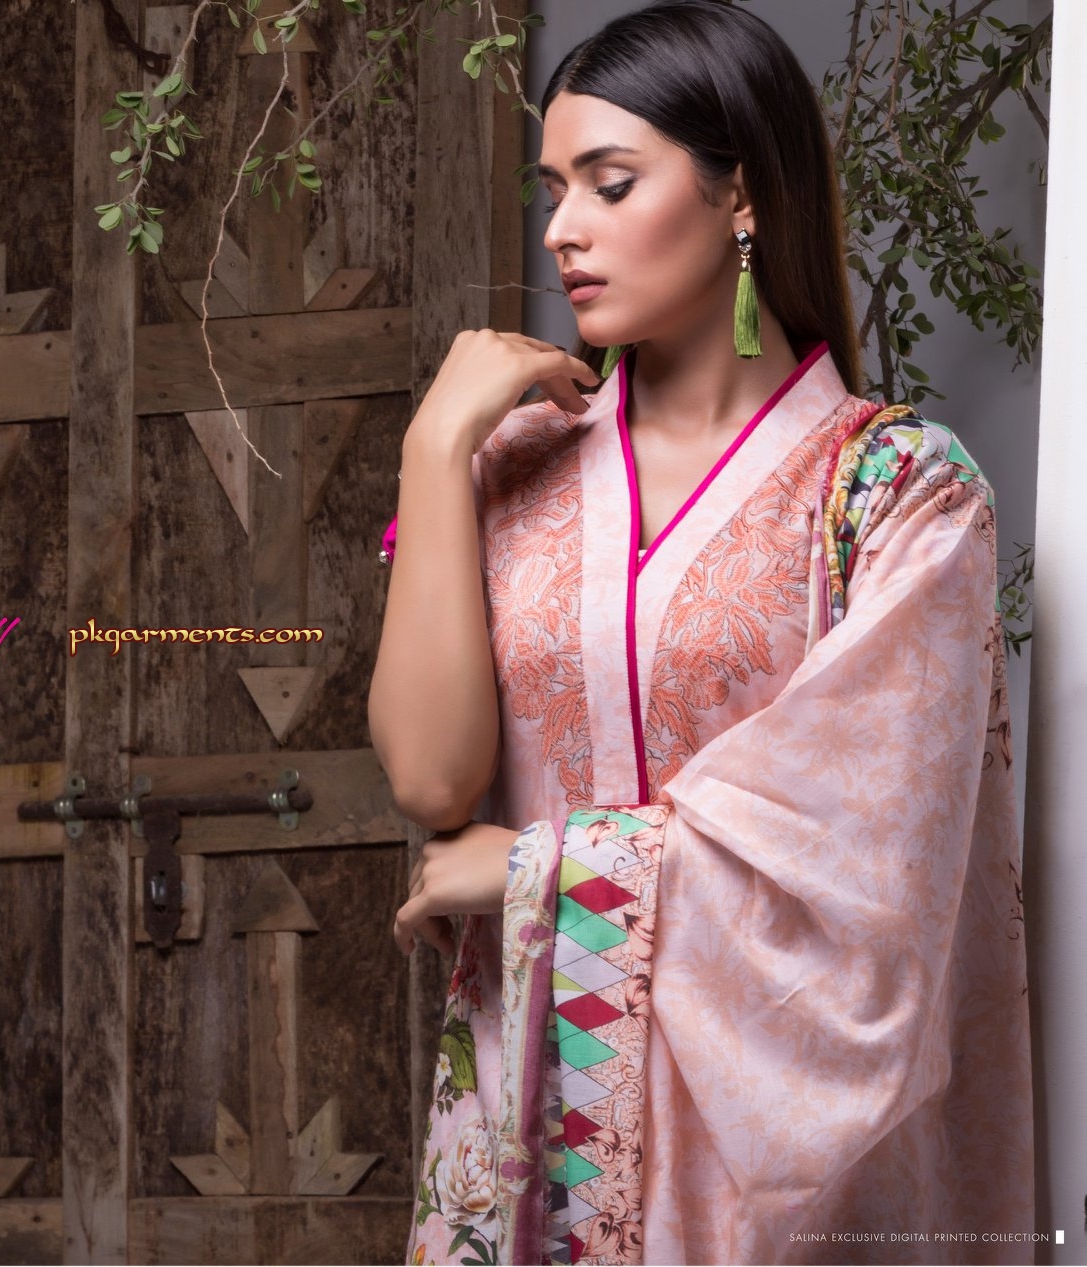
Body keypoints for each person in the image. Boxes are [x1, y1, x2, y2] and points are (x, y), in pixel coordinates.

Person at [367, 2, 1035, 1263]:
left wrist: (538, 870)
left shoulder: (898, 493)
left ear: (743, 196)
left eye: (611, 183)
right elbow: (431, 780)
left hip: (778, 1155)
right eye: (554, 189)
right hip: (532, 1117)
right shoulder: (508, 467)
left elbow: (876, 861)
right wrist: (432, 445)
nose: (562, 229)